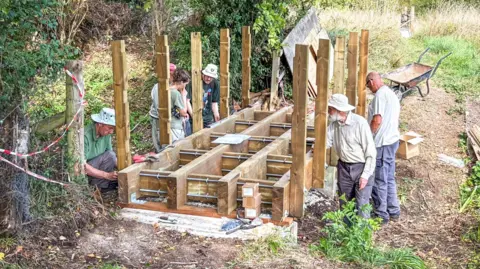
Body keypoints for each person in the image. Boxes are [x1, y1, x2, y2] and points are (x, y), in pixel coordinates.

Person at [326, 94, 377, 218]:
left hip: (361, 167)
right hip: (344, 167)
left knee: (362, 205)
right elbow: (325, 142)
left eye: (331, 109)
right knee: (345, 203)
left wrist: (365, 176)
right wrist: (314, 149)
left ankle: (363, 235)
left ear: (340, 110)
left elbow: (371, 152)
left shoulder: (359, 124)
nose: (328, 111)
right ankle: (347, 234)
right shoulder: (334, 125)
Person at [366, 71, 401, 224]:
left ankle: (381, 214)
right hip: (393, 140)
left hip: (382, 142)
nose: (368, 88)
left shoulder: (379, 95)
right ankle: (393, 210)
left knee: (379, 180)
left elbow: (377, 119)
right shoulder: (391, 94)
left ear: (372, 81)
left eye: (367, 85)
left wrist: (368, 136)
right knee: (389, 177)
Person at [84, 108, 118, 193]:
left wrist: (126, 169)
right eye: (109, 128)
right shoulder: (85, 136)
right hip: (85, 170)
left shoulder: (106, 135)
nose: (111, 131)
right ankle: (94, 189)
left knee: (111, 155)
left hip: (96, 167)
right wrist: (107, 175)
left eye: (113, 129)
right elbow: (82, 166)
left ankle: (100, 188)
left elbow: (111, 157)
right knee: (110, 155)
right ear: (100, 124)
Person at [150, 63, 177, 152]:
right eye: (171, 74)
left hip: (168, 118)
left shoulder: (173, 86)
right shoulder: (158, 87)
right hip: (157, 118)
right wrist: (165, 118)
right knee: (159, 140)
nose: (173, 77)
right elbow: (158, 107)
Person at [186, 63, 220, 128]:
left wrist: (216, 114)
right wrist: (194, 116)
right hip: (193, 118)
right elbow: (187, 101)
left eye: (211, 77)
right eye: (207, 76)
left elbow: (214, 102)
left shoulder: (215, 83)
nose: (209, 79)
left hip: (208, 119)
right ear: (203, 74)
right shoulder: (193, 82)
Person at [169, 69, 191, 142]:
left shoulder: (167, 90)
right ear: (181, 82)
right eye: (185, 84)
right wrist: (184, 96)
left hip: (168, 124)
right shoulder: (176, 93)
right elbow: (183, 112)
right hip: (175, 126)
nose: (184, 86)